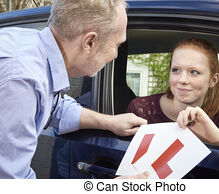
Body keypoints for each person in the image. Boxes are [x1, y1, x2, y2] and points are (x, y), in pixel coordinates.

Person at [0, 0, 148, 179]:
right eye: (116, 45)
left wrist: (110, 122)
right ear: (90, 42)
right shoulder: (22, 83)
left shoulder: (30, 46)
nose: (116, 55)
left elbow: (56, 107)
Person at [126, 38, 219, 152]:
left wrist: (217, 136)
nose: (182, 80)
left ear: (213, 80)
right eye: (176, 70)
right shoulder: (140, 110)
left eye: (194, 72)